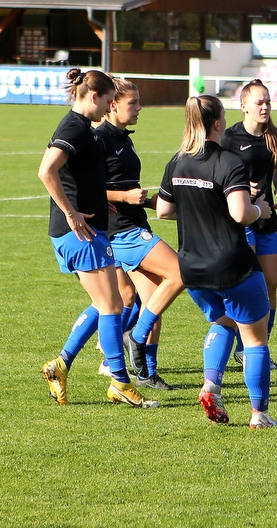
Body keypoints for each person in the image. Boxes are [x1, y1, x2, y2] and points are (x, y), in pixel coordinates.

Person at [155, 95, 277, 429]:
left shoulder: (177, 161)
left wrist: (201, 209)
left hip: (192, 270)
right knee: (255, 339)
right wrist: (261, 210)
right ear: (217, 123)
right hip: (231, 266)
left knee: (223, 323)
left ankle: (211, 386)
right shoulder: (228, 162)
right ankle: (260, 414)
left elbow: (164, 210)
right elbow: (240, 213)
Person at [38, 68, 156, 408]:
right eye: (107, 101)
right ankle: (119, 382)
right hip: (79, 232)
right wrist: (72, 212)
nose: (109, 108)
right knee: (113, 305)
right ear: (93, 97)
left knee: (107, 302)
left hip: (90, 227)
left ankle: (60, 365)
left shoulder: (85, 130)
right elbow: (46, 171)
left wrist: (101, 204)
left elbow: (81, 178)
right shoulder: (73, 127)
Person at [97, 78, 185, 390]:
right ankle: (130, 339)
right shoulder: (100, 139)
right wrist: (124, 199)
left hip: (135, 223)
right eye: (133, 103)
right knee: (179, 272)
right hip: (122, 231)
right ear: (112, 105)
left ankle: (147, 372)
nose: (139, 108)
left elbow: (123, 185)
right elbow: (87, 190)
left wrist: (146, 201)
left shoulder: (123, 137)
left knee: (153, 303)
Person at [221, 79, 277, 366]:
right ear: (243, 106)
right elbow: (220, 170)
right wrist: (239, 188)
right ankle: (244, 346)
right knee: (250, 283)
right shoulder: (229, 137)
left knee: (270, 282)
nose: (265, 107)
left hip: (267, 217)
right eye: (259, 102)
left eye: (268, 102)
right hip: (241, 218)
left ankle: (259, 347)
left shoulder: (275, 134)